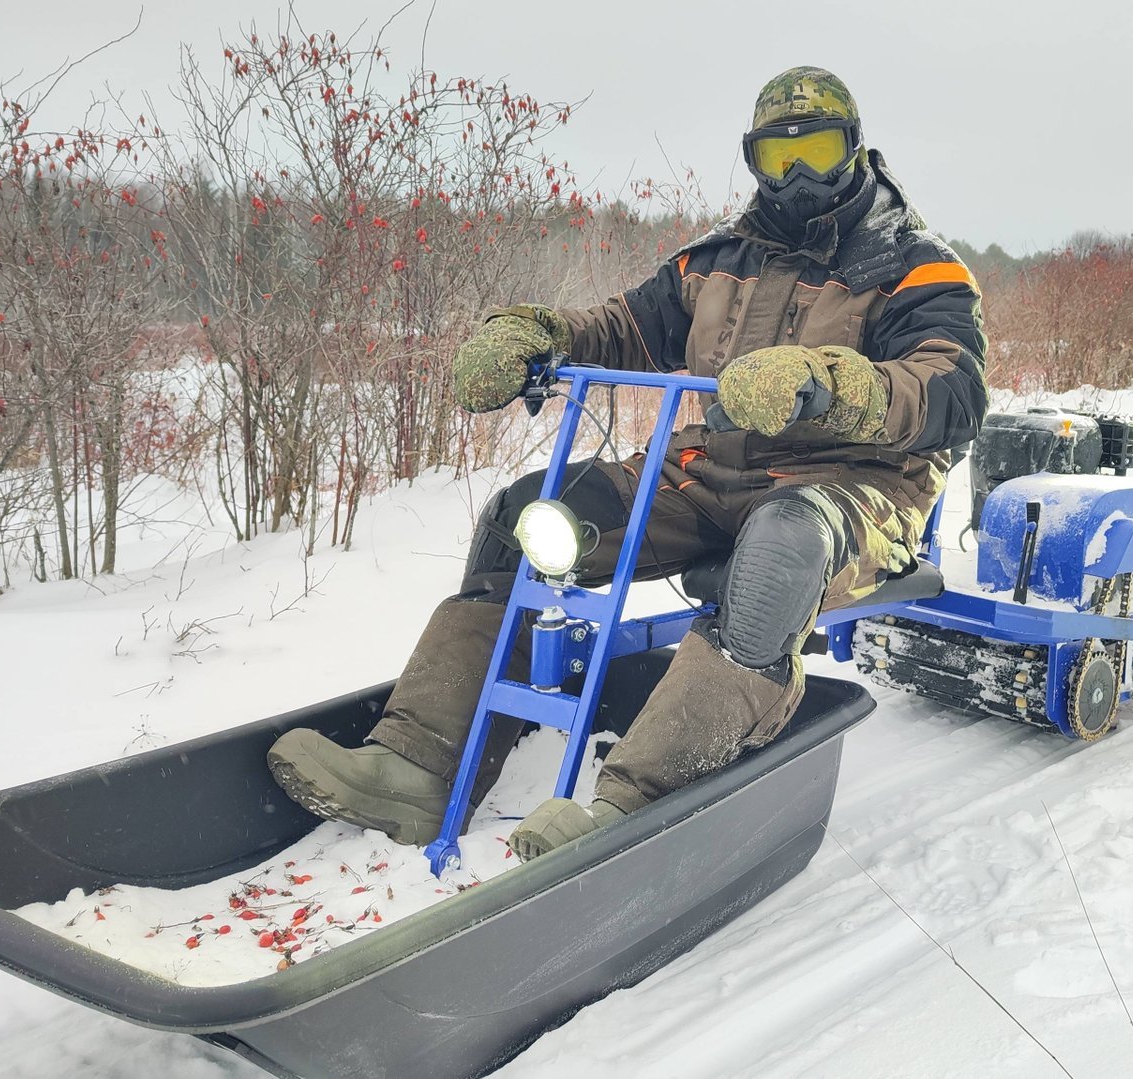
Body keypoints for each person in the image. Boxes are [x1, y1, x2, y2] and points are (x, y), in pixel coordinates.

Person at [266, 66, 987, 861]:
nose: (800, 177)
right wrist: (540, 333)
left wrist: (827, 384)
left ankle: (635, 805)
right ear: (753, 161)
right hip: (714, 466)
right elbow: (626, 326)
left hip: (855, 485)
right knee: (526, 515)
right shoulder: (720, 259)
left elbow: (949, 390)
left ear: (854, 150)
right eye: (779, 158)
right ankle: (419, 762)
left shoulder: (918, 265)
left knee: (783, 545)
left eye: (818, 151)